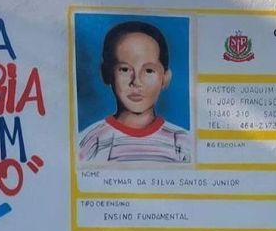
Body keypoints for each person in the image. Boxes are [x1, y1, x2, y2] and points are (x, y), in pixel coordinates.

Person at [78, 20, 193, 164]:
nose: (136, 82)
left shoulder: (182, 143)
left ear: (165, 78)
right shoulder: (91, 142)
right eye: (125, 69)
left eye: (149, 70)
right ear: (106, 74)